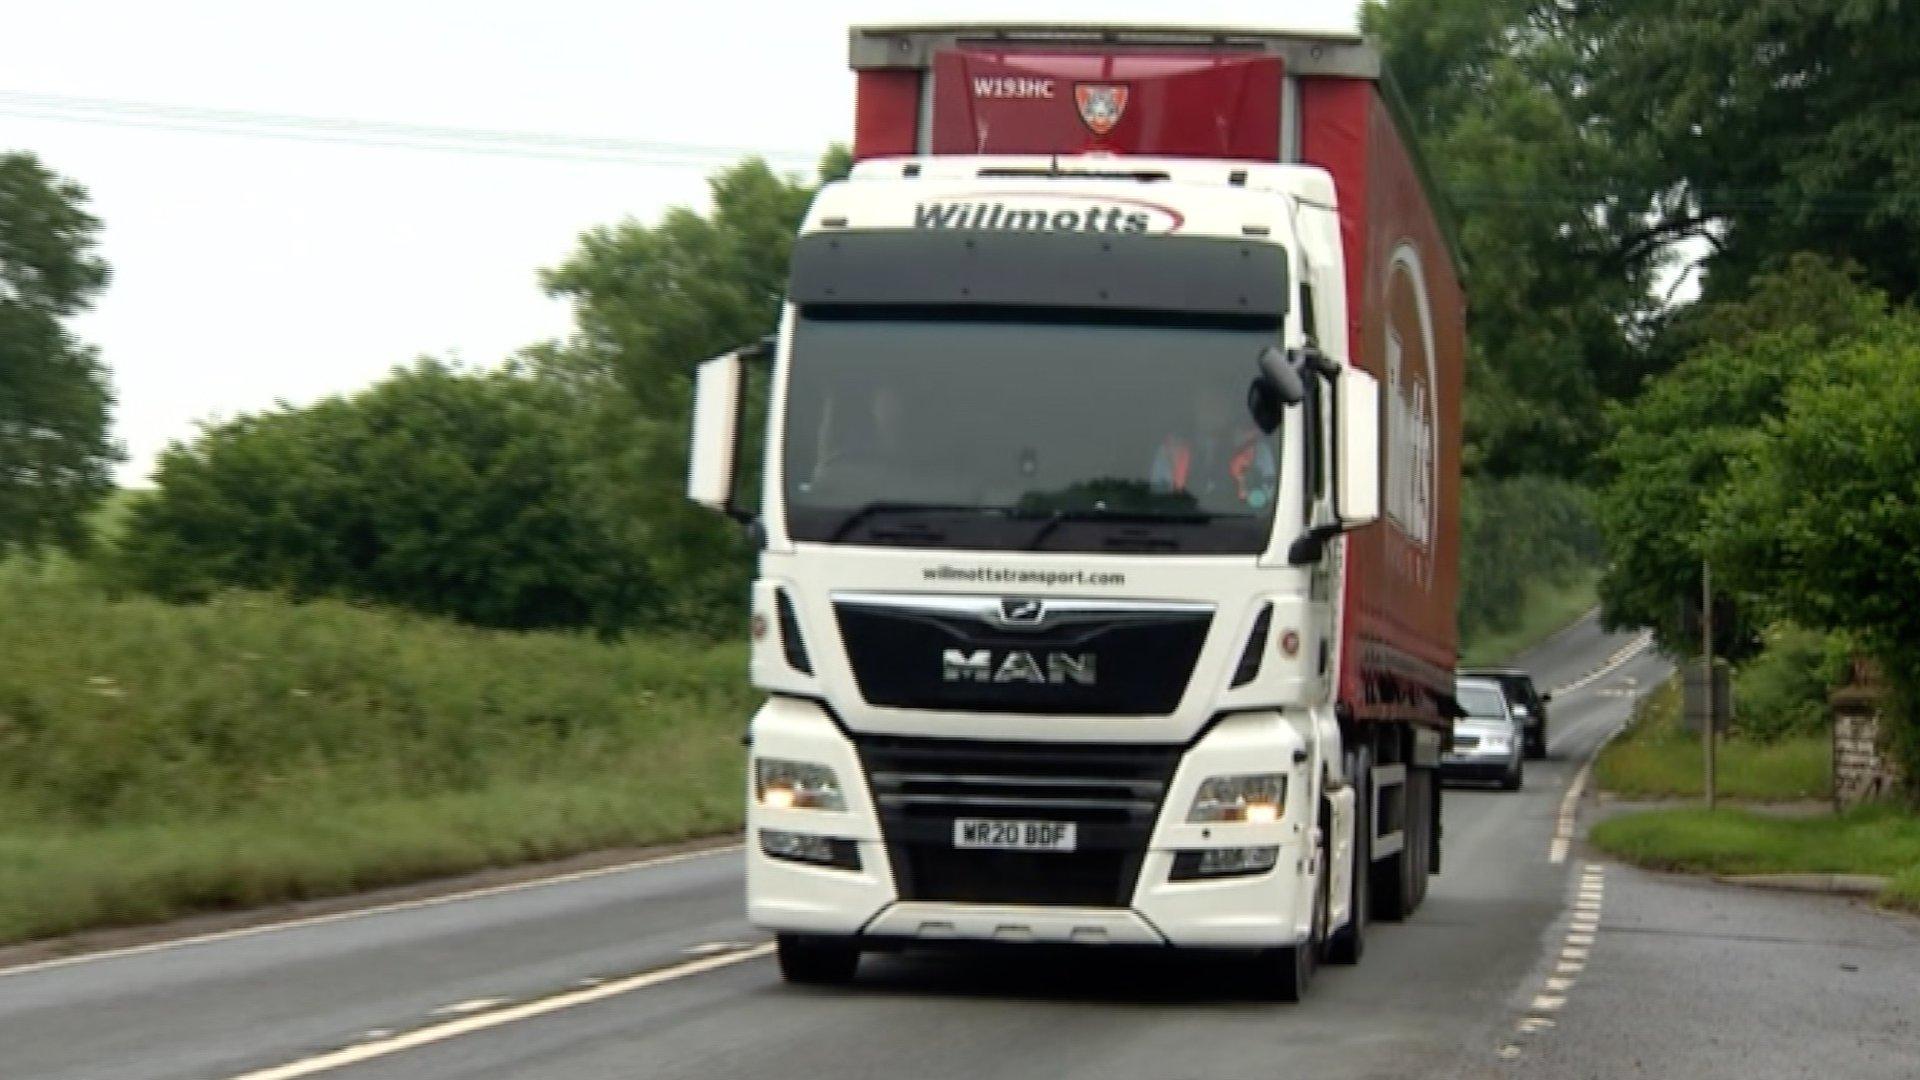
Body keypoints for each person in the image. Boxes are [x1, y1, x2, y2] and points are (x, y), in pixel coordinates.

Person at [1150, 388, 1277, 510]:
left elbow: (1267, 501)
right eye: (1206, 403)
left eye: (1219, 403)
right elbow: (1160, 498)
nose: (1212, 410)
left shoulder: (1256, 450)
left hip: (1240, 524)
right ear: (1194, 407)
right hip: (1182, 523)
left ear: (1230, 410)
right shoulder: (1171, 449)